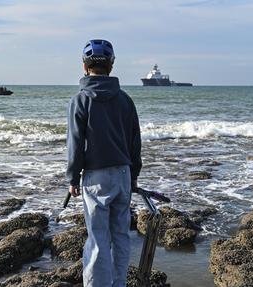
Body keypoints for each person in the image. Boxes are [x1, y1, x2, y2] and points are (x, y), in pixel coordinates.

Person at [66, 39, 142, 287]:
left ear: (84, 66)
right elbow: (135, 143)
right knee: (120, 235)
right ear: (112, 65)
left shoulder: (80, 100)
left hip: (96, 178)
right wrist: (133, 176)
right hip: (122, 175)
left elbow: (75, 143)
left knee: (98, 238)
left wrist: (72, 177)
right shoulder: (125, 100)